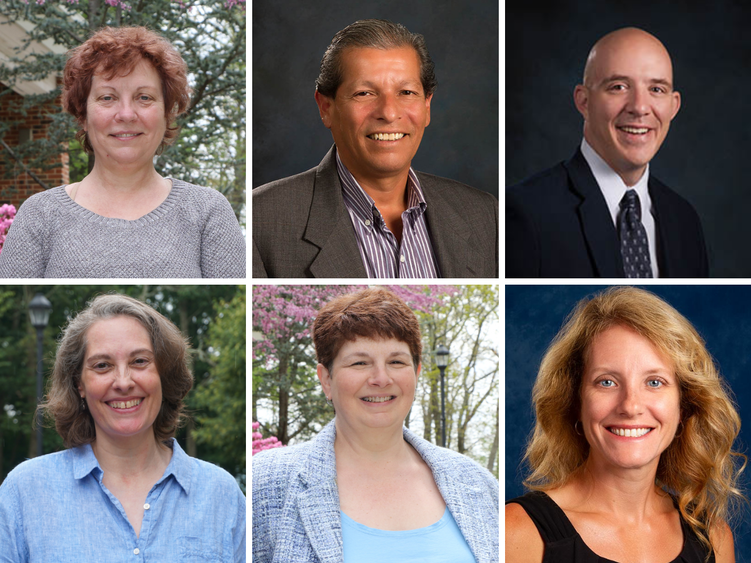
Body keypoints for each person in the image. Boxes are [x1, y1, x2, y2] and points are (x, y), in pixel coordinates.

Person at [253, 288, 499, 562]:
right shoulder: (266, 483)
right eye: (360, 362)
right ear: (326, 380)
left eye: (396, 361)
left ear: (416, 373)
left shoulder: (479, 485)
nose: (381, 378)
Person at [505, 287, 744, 563]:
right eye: (607, 382)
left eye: (654, 382)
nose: (630, 406)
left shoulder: (713, 538)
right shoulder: (518, 533)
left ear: (684, 405)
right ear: (575, 400)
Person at [0, 294, 246, 561]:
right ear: (79, 385)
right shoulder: (25, 492)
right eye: (102, 365)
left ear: (163, 374)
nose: (123, 382)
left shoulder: (221, 494)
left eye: (139, 361)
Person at [252, 19, 498, 278]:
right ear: (326, 108)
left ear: (427, 107)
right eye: (364, 93)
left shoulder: (483, 214)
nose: (389, 113)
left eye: (406, 92)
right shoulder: (264, 219)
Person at [0, 26, 245, 278]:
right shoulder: (39, 215)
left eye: (144, 97)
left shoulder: (207, 212)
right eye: (107, 98)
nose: (126, 114)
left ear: (167, 112)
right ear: (83, 115)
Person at [506, 27, 707, 278]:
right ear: (584, 101)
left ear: (673, 106)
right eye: (619, 86)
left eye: (656, 89)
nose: (640, 107)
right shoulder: (527, 213)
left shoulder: (685, 219)